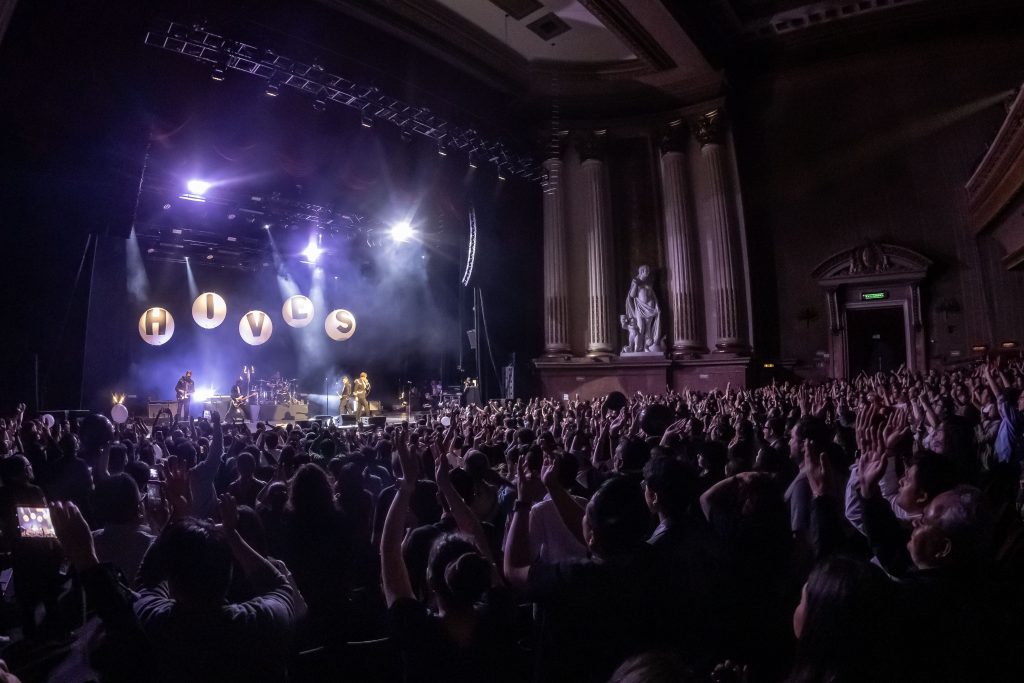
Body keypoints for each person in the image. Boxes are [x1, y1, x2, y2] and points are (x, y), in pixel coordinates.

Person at [134, 495, 296, 682]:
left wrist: (176, 519)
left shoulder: (152, 622)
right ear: (229, 571)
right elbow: (278, 585)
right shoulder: (261, 623)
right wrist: (231, 534)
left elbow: (147, 580)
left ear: (171, 580)